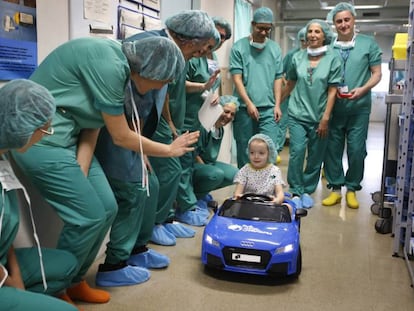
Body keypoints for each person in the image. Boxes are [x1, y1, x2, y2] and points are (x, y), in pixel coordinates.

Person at [11, 36, 198, 305]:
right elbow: (121, 136)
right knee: (88, 216)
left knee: (107, 208)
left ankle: (74, 281)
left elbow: (93, 122)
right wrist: (168, 149)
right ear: (151, 71)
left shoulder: (122, 71)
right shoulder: (111, 66)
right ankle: (55, 289)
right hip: (40, 139)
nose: (164, 87)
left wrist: (82, 169)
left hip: (72, 138)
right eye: (165, 80)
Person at [93, 9, 216, 283]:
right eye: (202, 47)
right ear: (188, 39)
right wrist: (151, 148)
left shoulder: (171, 52)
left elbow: (153, 101)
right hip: (120, 130)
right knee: (134, 190)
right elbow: (129, 103)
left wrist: (144, 148)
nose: (202, 53)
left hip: (138, 130)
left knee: (151, 186)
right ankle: (114, 266)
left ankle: (137, 248)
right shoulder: (152, 47)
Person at [0, 79, 78, 311]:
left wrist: (17, 280)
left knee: (66, 264)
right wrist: (7, 279)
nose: (45, 135)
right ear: (19, 127)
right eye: (44, 129)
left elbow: (4, 236)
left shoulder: (3, 156)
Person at [172, 16, 233, 228]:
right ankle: (184, 206)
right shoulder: (188, 54)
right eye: (215, 35)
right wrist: (202, 88)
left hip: (200, 116)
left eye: (222, 38)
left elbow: (211, 85)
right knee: (181, 165)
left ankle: (193, 197)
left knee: (188, 163)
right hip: (184, 115)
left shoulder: (210, 55)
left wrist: (214, 103)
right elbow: (178, 84)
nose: (216, 41)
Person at [322, 2, 382, 209]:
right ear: (334, 24)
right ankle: (336, 189)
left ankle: (353, 188)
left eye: (347, 19)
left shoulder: (368, 44)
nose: (343, 24)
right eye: (339, 21)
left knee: (356, 150)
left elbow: (377, 73)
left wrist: (363, 89)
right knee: (332, 149)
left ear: (354, 20)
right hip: (335, 108)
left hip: (359, 108)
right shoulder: (329, 48)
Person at [278, 19, 342, 209]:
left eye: (317, 32)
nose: (313, 35)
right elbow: (290, 83)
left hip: (320, 117)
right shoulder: (297, 57)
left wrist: (325, 117)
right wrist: (277, 104)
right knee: (297, 152)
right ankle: (296, 190)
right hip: (297, 114)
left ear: (325, 36)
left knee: (315, 156)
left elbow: (332, 91)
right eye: (310, 31)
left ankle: (307, 190)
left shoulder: (333, 59)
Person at [229, 6, 283, 168]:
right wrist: (249, 103)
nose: (264, 32)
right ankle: (245, 189)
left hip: (268, 108)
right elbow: (237, 79)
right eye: (260, 28)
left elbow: (278, 78)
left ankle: (266, 188)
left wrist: (278, 104)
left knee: (269, 148)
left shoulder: (274, 48)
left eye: (268, 29)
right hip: (245, 108)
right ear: (252, 24)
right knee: (245, 148)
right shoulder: (239, 47)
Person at [184, 95, 240, 216]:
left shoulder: (220, 129)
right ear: (219, 109)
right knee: (215, 175)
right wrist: (208, 170)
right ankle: (195, 196)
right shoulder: (205, 126)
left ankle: (203, 193)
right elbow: (194, 153)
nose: (228, 116)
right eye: (226, 112)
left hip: (208, 164)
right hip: (194, 164)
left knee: (236, 174)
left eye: (232, 114)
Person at [233, 133, 292, 214]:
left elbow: (280, 193)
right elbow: (238, 192)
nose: (256, 156)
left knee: (288, 208)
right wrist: (238, 196)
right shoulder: (245, 170)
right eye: (252, 152)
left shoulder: (274, 171)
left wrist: (277, 200)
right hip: (247, 205)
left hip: (269, 205)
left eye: (261, 153)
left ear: (269, 154)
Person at [277, 26, 307, 162]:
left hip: (307, 99)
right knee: (282, 123)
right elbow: (280, 72)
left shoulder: (322, 57)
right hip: (290, 95)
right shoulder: (292, 55)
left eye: (306, 40)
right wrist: (286, 82)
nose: (304, 43)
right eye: (302, 41)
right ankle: (276, 149)